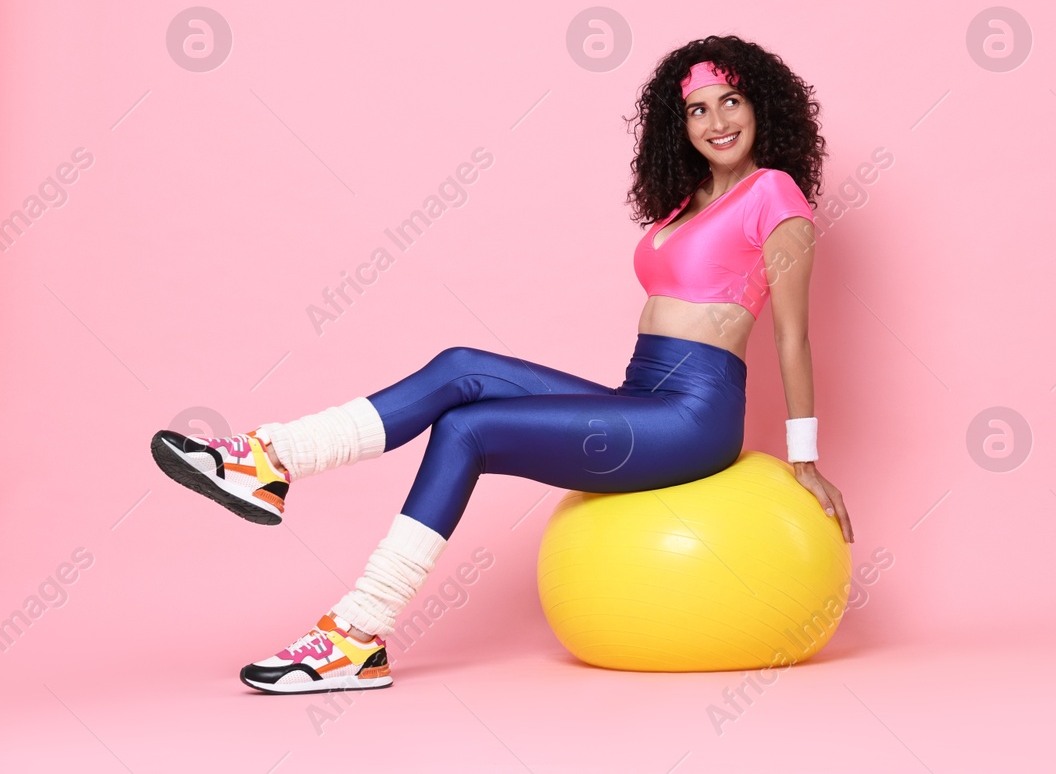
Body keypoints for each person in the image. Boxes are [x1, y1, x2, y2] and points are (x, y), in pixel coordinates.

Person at [149, 35, 854, 694]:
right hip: (641, 393)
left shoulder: (775, 197)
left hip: (693, 417)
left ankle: (358, 631)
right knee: (461, 365)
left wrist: (805, 459)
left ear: (762, 103)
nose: (716, 121)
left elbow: (793, 336)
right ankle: (269, 460)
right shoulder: (685, 199)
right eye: (697, 109)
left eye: (732, 100)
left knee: (467, 430)